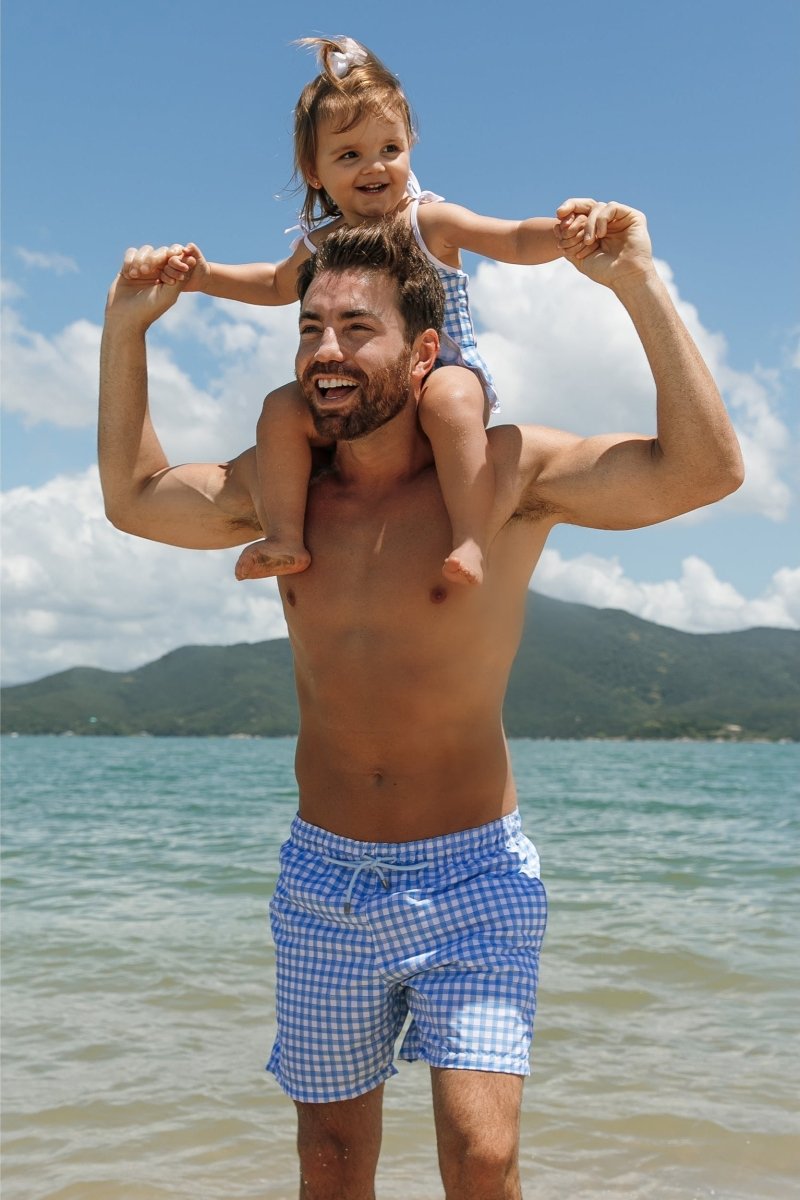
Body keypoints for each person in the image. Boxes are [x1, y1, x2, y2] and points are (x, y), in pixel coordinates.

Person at [99, 202, 743, 1200]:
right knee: (329, 1161)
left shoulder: (503, 478)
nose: (325, 349)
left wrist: (636, 285)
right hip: (323, 880)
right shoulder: (284, 493)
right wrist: (126, 328)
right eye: (310, 328)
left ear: (424, 347)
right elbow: (135, 497)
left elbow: (702, 471)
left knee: (479, 1159)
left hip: (475, 876)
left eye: (356, 329)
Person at [125, 35, 593, 587]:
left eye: (389, 149)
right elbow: (277, 283)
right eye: (350, 154)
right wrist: (206, 278)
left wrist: (562, 234)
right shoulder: (321, 243)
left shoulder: (427, 221)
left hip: (438, 369)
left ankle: (470, 536)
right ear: (314, 170)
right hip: (352, 386)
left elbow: (511, 239)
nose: (374, 166)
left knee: (454, 400)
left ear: (410, 147)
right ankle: (285, 536)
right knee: (281, 408)